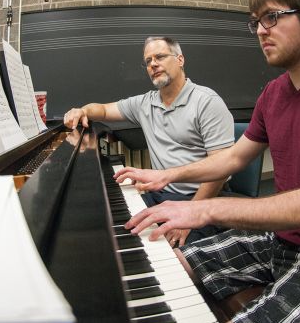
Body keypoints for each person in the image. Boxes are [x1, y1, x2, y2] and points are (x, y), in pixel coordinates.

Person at [115, 0, 300, 323]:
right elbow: (235, 157)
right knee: (169, 263)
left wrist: (205, 210)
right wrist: (167, 174)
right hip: (279, 240)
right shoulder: (273, 93)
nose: (260, 31)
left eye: (272, 17)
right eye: (256, 22)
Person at [64, 36, 234, 246]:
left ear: (180, 60)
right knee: (115, 228)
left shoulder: (207, 102)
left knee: (175, 256)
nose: (153, 64)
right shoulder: (145, 102)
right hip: (162, 194)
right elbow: (104, 109)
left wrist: (191, 215)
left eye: (160, 56)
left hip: (202, 198)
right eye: (148, 61)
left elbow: (220, 170)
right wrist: (83, 110)